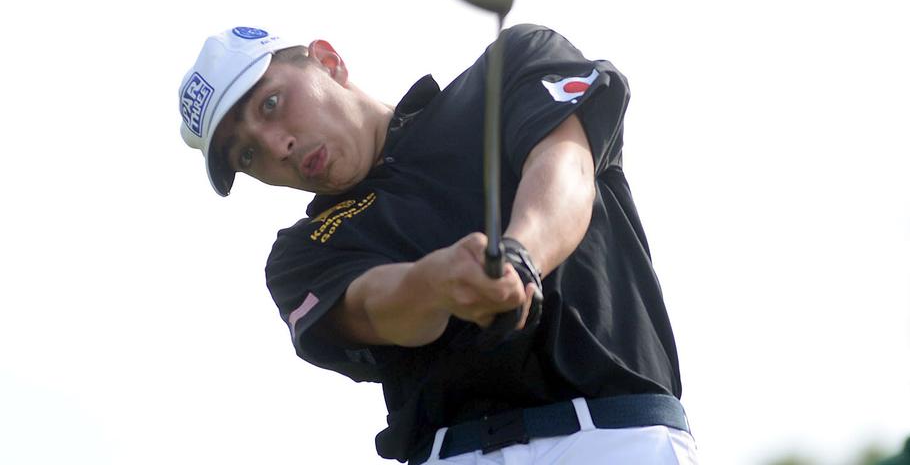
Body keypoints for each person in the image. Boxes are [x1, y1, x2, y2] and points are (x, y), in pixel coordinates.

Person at [178, 24, 698, 464]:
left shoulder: (511, 63)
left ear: (328, 61)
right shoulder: (302, 252)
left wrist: (521, 257)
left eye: (272, 103)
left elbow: (567, 168)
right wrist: (438, 284)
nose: (276, 146)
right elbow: (377, 309)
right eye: (246, 155)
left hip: (619, 439)